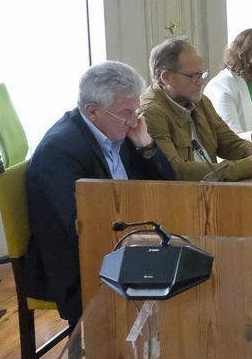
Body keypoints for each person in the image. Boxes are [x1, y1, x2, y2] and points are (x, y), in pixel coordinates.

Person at [26, 62, 175, 323]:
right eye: (125, 113)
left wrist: (146, 145)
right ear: (92, 111)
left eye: (136, 110)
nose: (134, 120)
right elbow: (81, 225)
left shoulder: (121, 131)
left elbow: (168, 185)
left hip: (128, 240)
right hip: (81, 265)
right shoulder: (60, 151)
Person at [141, 39, 252, 181]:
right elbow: (176, 170)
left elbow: (227, 141)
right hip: (183, 196)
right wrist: (242, 167)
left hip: (211, 189)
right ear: (167, 77)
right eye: (194, 76)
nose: (201, 81)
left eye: (202, 74)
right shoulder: (150, 112)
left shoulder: (199, 100)